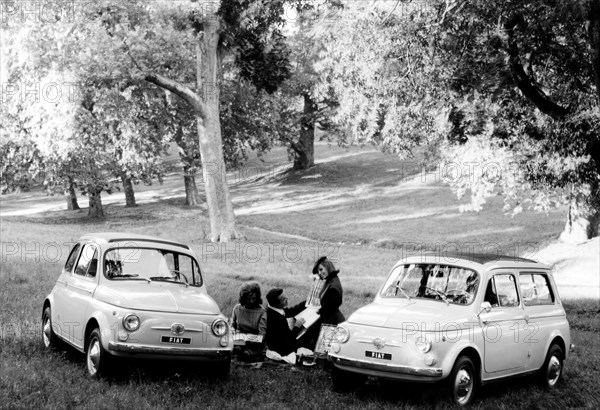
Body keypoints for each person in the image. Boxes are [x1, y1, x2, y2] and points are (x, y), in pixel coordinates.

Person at [299, 256, 345, 350]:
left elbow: (329, 307)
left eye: (321, 269)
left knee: (324, 352)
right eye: (318, 271)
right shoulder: (331, 280)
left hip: (331, 324)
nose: (320, 273)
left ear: (328, 266)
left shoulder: (333, 285)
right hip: (328, 321)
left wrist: (318, 312)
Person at [230, 281, 267, 361]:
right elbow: (232, 326)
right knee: (235, 350)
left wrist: (248, 341)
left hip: (254, 344)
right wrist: (232, 332)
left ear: (257, 298)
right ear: (243, 298)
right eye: (248, 299)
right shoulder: (237, 309)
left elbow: (262, 335)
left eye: (253, 298)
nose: (251, 301)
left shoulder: (262, 312)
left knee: (246, 354)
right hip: (239, 341)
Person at [264, 288, 306, 358]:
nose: (286, 299)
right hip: (282, 350)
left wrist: (306, 302)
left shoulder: (272, 309)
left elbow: (291, 311)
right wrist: (297, 326)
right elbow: (289, 339)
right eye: (283, 299)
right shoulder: (277, 319)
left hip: (278, 345)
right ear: (277, 304)